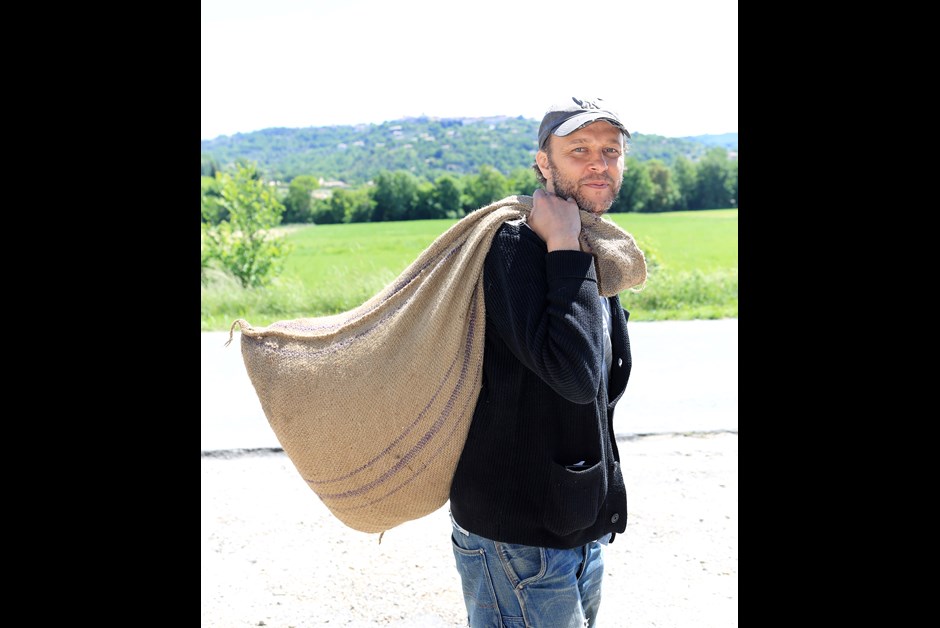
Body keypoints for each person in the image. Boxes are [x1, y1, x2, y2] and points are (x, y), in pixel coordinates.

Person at [448, 96, 635, 628]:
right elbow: (575, 378)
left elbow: (600, 387)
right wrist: (563, 246)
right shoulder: (515, 249)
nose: (599, 163)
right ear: (543, 164)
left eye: (610, 150)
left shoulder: (587, 245)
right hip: (518, 537)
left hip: (572, 526)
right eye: (578, 150)